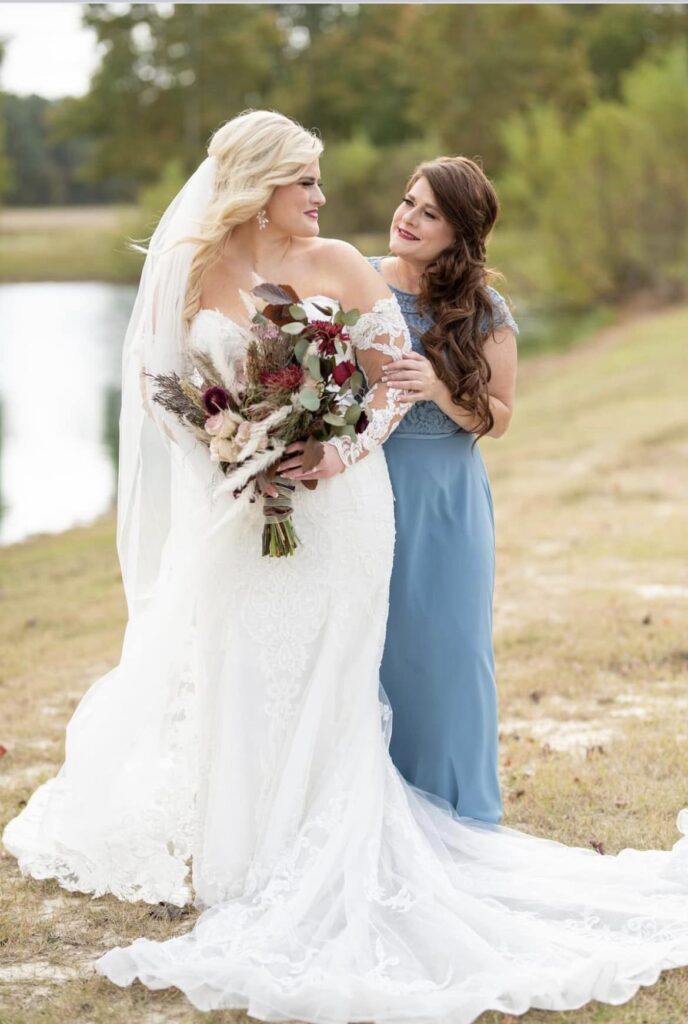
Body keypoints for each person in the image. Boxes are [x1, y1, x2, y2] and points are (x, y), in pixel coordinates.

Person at [5, 111, 688, 1023]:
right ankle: (248, 855)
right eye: (308, 183)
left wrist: (336, 453)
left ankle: (361, 833)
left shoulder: (339, 266)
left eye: (325, 182)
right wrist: (232, 451)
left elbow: (391, 384)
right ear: (259, 186)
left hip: (345, 506)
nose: (327, 200)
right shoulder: (187, 271)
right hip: (249, 509)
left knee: (337, 676)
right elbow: (164, 396)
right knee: (248, 669)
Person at [371, 157, 517, 822]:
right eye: (408, 202)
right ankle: (380, 811)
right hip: (367, 489)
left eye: (429, 213)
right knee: (375, 650)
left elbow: (502, 415)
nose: (408, 219)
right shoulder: (362, 284)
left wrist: (438, 388)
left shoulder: (484, 310)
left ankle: (460, 811)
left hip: (448, 496)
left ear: (459, 233)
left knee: (452, 652)